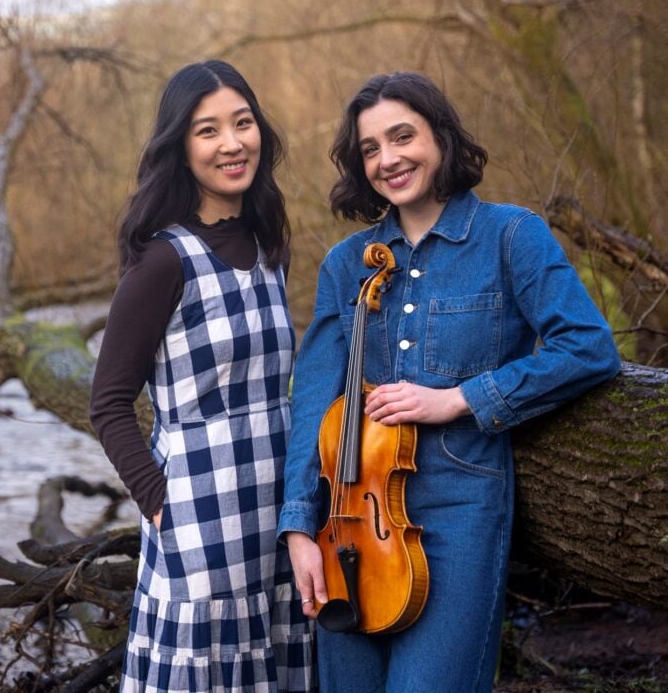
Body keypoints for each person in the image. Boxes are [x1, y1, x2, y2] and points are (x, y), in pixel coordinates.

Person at [278, 71, 621, 692]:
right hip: (349, 527)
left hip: (458, 520)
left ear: (441, 135)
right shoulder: (345, 265)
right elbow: (314, 401)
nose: (389, 159)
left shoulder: (510, 236)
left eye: (402, 136)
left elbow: (588, 348)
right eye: (371, 149)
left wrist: (461, 398)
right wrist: (301, 526)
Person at [89, 60, 315, 692]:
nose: (231, 143)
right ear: (181, 149)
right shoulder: (163, 260)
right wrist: (162, 507)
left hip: (280, 506)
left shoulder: (270, 244)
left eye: (242, 123)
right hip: (200, 514)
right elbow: (107, 403)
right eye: (207, 130)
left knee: (277, 656)